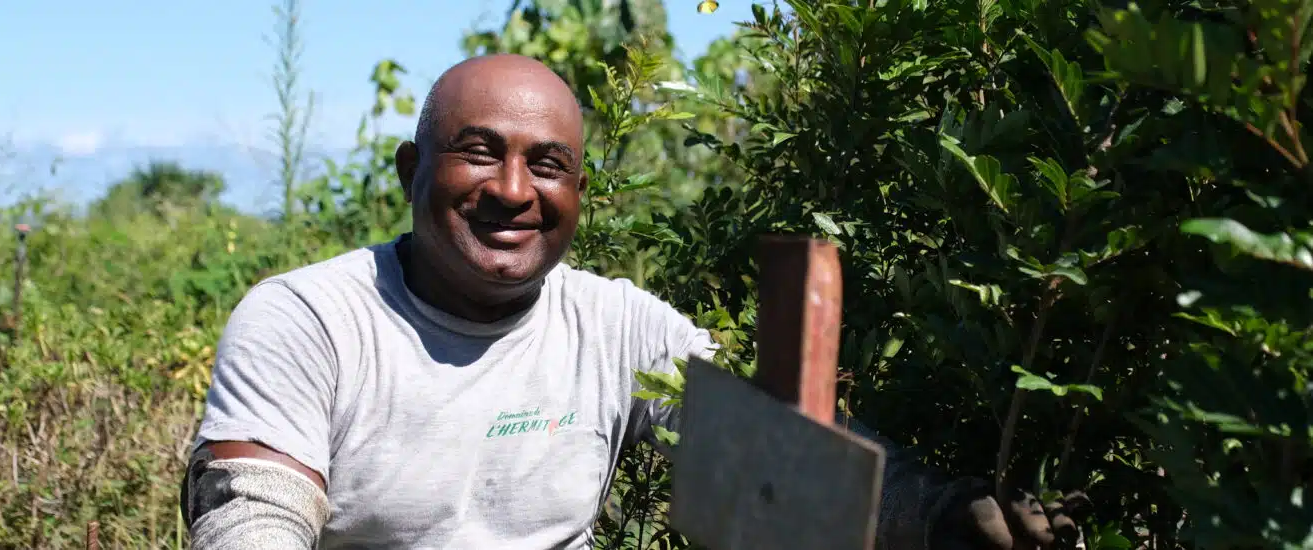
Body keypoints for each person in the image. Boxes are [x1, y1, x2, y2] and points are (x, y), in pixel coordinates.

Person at [180, 53, 1081, 550]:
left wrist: (940, 511)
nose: (512, 189)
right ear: (414, 172)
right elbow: (251, 519)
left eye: (547, 165)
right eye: (478, 152)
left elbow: (781, 451)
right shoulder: (308, 319)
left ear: (578, 195)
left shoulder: (614, 326)